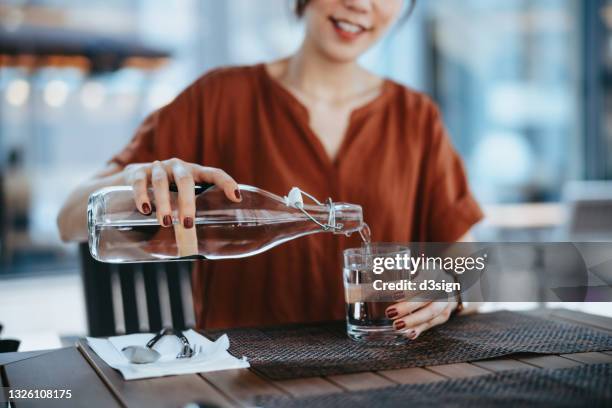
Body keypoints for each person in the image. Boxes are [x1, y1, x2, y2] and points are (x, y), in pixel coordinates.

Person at [57, 0, 483, 339]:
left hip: (388, 373)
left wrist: (446, 288)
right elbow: (68, 220)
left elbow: (476, 270)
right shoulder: (218, 99)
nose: (360, 3)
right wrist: (136, 177)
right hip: (243, 377)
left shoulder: (415, 117)